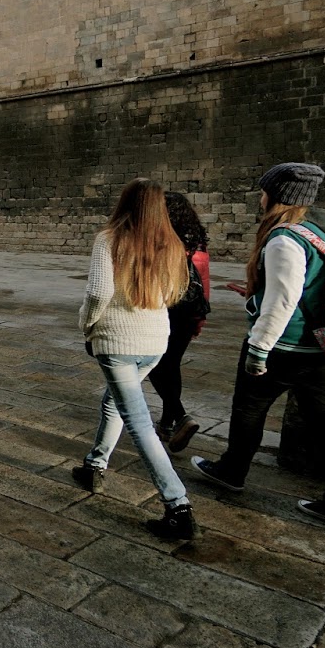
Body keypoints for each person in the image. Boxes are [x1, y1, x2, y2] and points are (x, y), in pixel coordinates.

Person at [192, 163, 325, 531]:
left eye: (263, 190)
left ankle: (232, 471)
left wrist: (259, 348)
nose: (260, 197)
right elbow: (307, 288)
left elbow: (284, 300)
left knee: (249, 409)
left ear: (277, 196)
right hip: (321, 348)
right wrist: (256, 291)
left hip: (285, 347)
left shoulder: (285, 237)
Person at [74, 178, 197, 540]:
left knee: (139, 423)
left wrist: (86, 325)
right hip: (155, 342)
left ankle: (178, 505)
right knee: (115, 402)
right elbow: (174, 293)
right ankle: (94, 464)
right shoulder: (171, 244)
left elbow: (98, 292)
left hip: (118, 342)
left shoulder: (109, 239)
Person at [151, 192, 212, 453]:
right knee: (171, 365)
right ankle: (167, 423)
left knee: (154, 365)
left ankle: (181, 416)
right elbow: (204, 284)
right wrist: (199, 319)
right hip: (188, 313)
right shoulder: (197, 245)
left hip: (163, 311)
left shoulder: (158, 243)